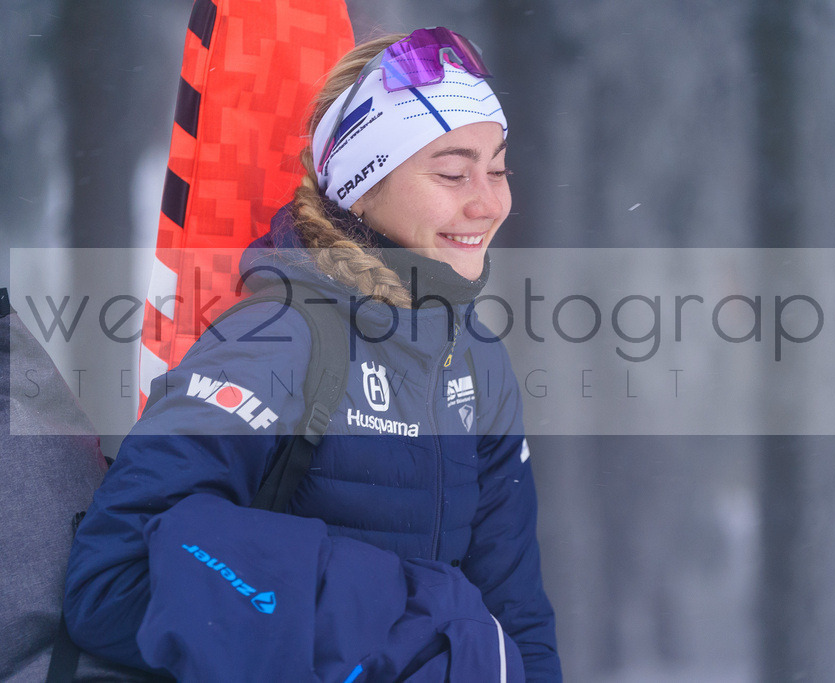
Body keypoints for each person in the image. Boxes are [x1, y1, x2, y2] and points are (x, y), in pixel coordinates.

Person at [64, 28, 561, 681]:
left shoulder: (477, 362)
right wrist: (412, 625)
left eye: (498, 168)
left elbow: (514, 621)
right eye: (452, 171)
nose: (489, 202)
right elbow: (112, 581)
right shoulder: (277, 336)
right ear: (362, 183)